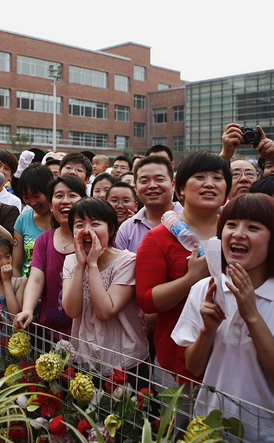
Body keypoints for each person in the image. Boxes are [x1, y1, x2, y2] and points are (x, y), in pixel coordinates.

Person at [172, 193, 274, 442]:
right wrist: (207, 331)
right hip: (210, 428)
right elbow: (194, 367)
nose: (238, 233)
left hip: (273, 434)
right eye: (231, 225)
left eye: (253, 227)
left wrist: (252, 315)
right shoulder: (205, 289)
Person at [136, 151, 230, 388]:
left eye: (217, 178)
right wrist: (192, 278)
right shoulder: (157, 238)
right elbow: (148, 301)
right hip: (178, 366)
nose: (209, 184)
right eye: (199, 177)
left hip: (232, 360)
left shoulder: (237, 233)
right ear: (180, 189)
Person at [62, 198, 148, 377]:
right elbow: (71, 310)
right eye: (79, 224)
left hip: (125, 360)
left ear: (111, 229)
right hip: (85, 356)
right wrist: (80, 266)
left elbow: (105, 311)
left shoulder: (127, 261)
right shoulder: (71, 261)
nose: (86, 231)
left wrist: (92, 265)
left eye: (95, 223)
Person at [13, 175, 87, 339]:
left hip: (86, 333)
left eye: (72, 195)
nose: (65, 201)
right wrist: (28, 309)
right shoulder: (44, 240)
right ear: (51, 205)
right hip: (50, 332)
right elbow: (36, 279)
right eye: (59, 196)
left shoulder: (93, 239)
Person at [115, 155, 182, 253]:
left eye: (159, 179)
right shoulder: (127, 229)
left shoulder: (192, 220)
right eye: (144, 181)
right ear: (136, 187)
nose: (152, 186)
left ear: (173, 184)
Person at [221, 123, 274, 195]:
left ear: (258, 178)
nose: (244, 179)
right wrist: (225, 154)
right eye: (235, 174)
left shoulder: (270, 203)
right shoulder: (217, 206)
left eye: (249, 174)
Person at [12, 164, 54, 279]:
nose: (32, 202)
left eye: (36, 196)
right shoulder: (23, 219)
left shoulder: (62, 219)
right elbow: (16, 266)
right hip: (28, 289)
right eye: (26, 197)